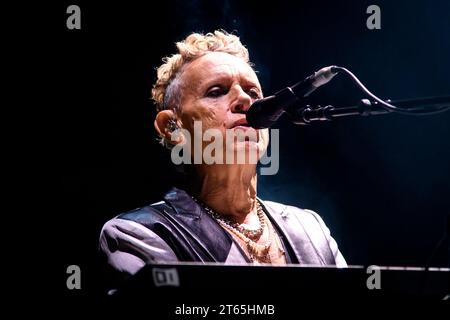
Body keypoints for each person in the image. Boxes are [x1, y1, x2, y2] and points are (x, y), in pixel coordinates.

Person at [99, 30, 346, 284]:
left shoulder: (310, 229)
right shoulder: (137, 234)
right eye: (216, 91)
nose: (244, 100)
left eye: (254, 93)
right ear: (172, 128)